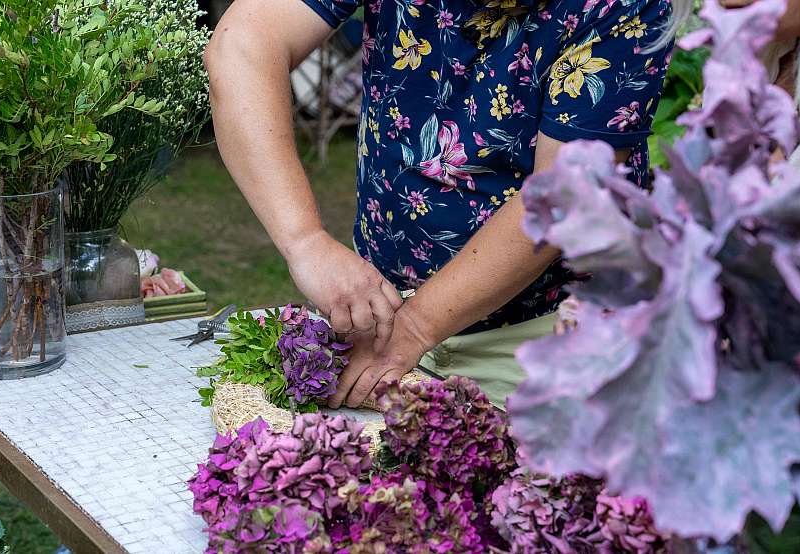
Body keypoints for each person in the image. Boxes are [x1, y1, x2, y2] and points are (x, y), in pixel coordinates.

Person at [204, 0, 673, 409]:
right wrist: (305, 242)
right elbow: (243, 44)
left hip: (548, 341)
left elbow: (561, 197)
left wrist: (413, 329)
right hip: (381, 322)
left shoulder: (624, 5)